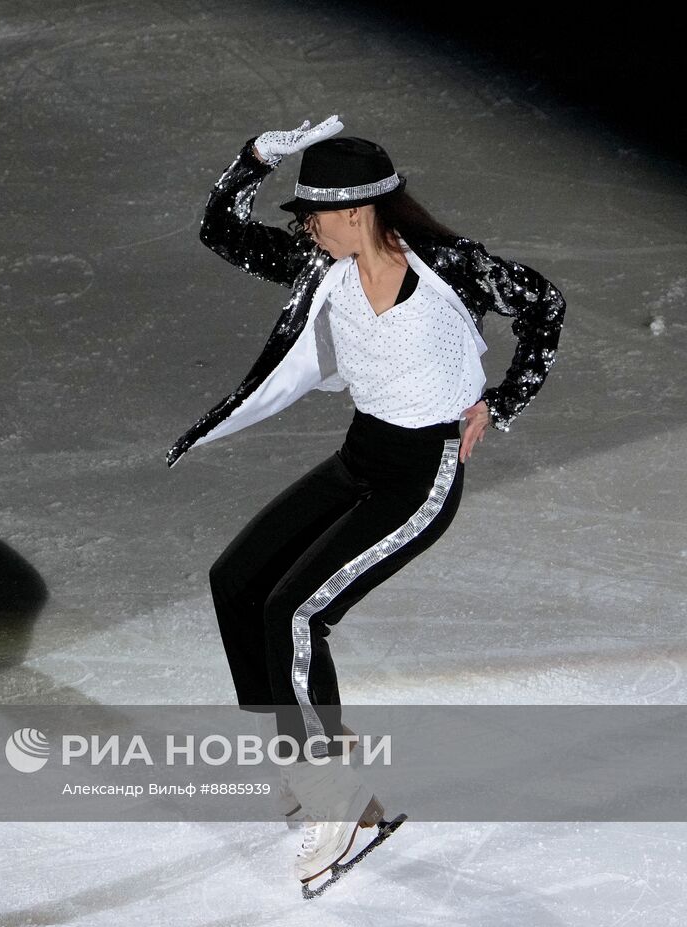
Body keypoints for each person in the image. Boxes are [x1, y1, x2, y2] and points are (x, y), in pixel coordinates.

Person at [167, 116, 565, 889]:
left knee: (295, 611)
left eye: (312, 211)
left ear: (356, 211)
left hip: (421, 478)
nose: (305, 226)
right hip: (361, 459)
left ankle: (336, 799)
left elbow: (543, 305)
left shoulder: (450, 265)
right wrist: (252, 161)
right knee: (238, 581)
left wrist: (503, 401)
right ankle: (313, 767)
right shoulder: (320, 266)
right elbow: (220, 230)